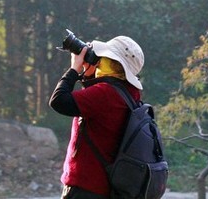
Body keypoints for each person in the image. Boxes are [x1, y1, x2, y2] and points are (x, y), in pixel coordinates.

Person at [48, 34, 146, 199]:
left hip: (87, 188)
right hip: (106, 188)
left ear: (112, 63)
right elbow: (93, 107)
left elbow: (58, 101)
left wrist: (74, 69)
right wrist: (87, 75)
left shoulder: (106, 94)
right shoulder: (130, 93)